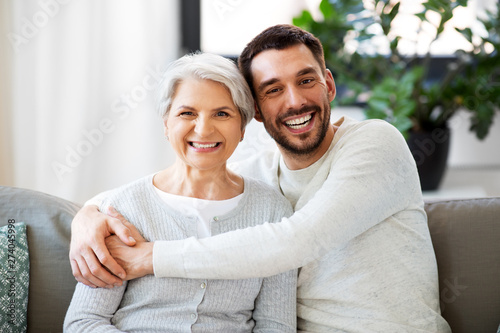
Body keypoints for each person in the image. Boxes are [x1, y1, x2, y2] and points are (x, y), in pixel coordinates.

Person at [70, 24, 452, 332]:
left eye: (306, 81)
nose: (294, 102)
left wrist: (151, 257)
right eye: (273, 89)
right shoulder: (261, 175)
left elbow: (298, 240)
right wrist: (87, 215)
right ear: (255, 110)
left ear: (329, 85)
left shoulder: (375, 142)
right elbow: (166, 190)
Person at [63, 52, 297, 332]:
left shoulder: (273, 212)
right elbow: (84, 322)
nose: (204, 129)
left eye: (221, 114)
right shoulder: (121, 210)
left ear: (242, 126)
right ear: (166, 124)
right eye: (187, 113)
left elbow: (276, 325)